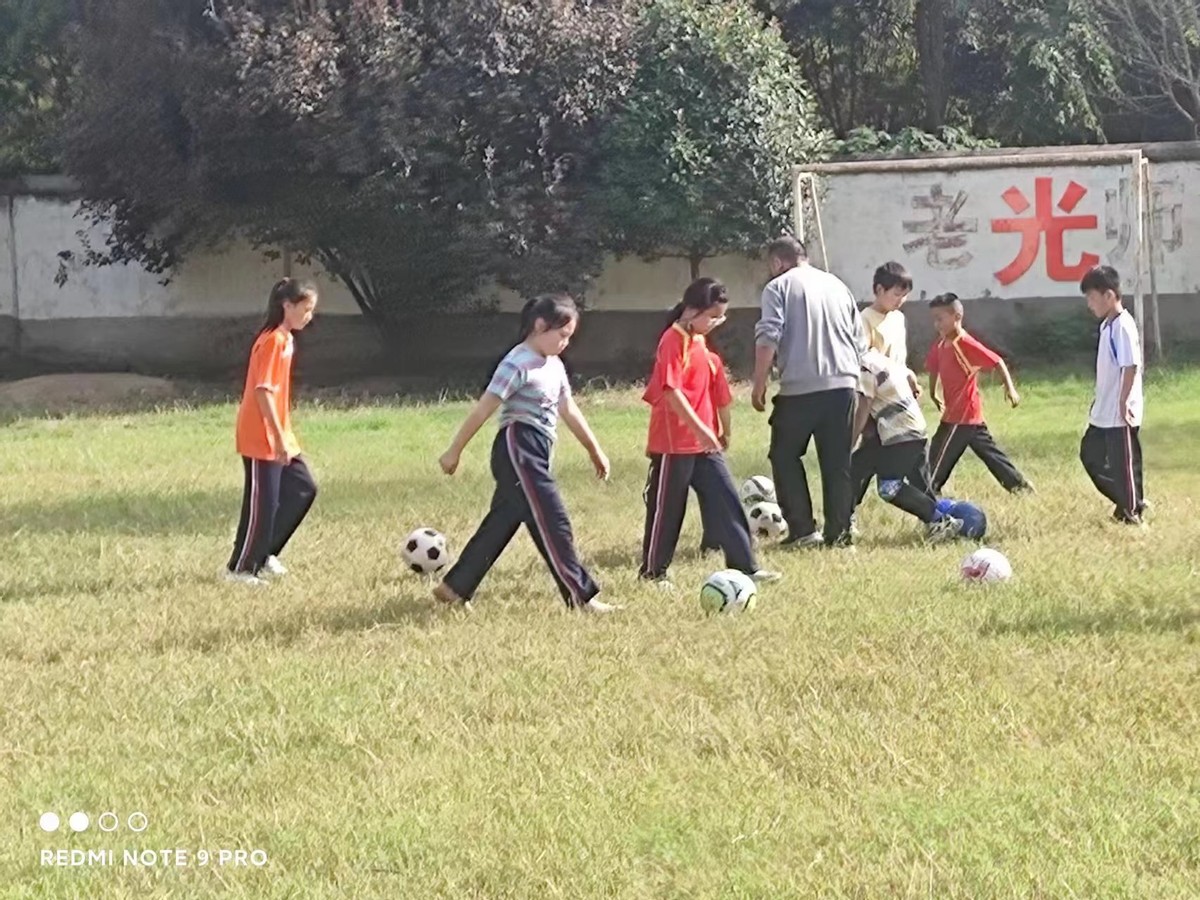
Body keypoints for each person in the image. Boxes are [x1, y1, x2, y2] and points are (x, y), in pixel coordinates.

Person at [435, 294, 618, 613]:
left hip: (538, 450)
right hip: (518, 447)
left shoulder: (555, 366)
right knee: (554, 519)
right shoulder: (517, 362)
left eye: (569, 337)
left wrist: (595, 450)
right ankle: (581, 597)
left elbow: (569, 410)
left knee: (502, 522)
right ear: (539, 325)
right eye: (561, 335)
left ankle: (455, 587)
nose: (565, 343)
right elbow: (484, 409)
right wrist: (454, 451)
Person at [641, 278, 781, 586]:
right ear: (692, 311)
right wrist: (701, 428)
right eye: (712, 316)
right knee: (667, 510)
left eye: (721, 317)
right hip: (674, 443)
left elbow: (718, 398)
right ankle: (653, 573)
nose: (716, 323)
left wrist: (715, 432)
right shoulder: (672, 340)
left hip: (705, 445)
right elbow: (670, 391)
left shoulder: (701, 343)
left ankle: (745, 566)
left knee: (727, 500)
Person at [752, 236, 866, 548]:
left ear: (777, 262)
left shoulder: (778, 287)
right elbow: (860, 340)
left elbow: (768, 335)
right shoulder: (837, 285)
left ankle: (802, 529)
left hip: (800, 387)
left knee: (784, 454)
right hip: (844, 384)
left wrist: (759, 382)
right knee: (837, 461)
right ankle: (840, 534)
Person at [226, 278, 320, 586]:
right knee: (262, 505)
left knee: (304, 487)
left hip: (280, 436)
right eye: (305, 309)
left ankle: (265, 554)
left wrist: (284, 437)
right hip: (260, 436)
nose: (309, 316)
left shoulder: (286, 339)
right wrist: (277, 437)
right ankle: (241, 569)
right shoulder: (272, 341)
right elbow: (263, 392)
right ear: (287, 306)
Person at [851, 347, 963, 542]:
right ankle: (942, 526)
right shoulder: (879, 358)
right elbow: (910, 374)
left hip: (899, 433)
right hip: (916, 428)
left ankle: (942, 521)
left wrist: (848, 441)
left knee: (889, 488)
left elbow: (863, 407)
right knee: (921, 486)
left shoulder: (864, 367)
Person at [925, 293, 1033, 494]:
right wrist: (932, 393)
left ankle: (929, 490)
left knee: (938, 458)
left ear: (957, 317)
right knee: (992, 455)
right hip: (959, 416)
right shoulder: (941, 344)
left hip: (961, 416)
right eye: (934, 319)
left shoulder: (964, 343)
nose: (936, 324)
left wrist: (1010, 389)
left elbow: (997, 361)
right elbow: (934, 367)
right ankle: (1020, 487)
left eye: (940, 319)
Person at [1078, 266, 1146, 525]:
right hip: (1103, 411)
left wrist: (1123, 401)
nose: (1089, 305)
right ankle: (1129, 499)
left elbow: (1131, 366)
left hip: (1119, 412)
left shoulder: (1123, 326)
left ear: (1109, 295)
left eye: (1092, 298)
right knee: (1090, 456)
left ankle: (1132, 513)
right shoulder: (1108, 326)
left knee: (1124, 464)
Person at [853, 262, 922, 515]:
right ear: (878, 290)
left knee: (913, 457)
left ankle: (934, 510)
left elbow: (898, 362)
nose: (900, 300)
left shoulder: (899, 318)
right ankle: (845, 513)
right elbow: (867, 363)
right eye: (896, 294)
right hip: (877, 401)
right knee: (866, 458)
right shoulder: (864, 319)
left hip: (900, 399)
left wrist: (909, 377)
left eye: (905, 295)